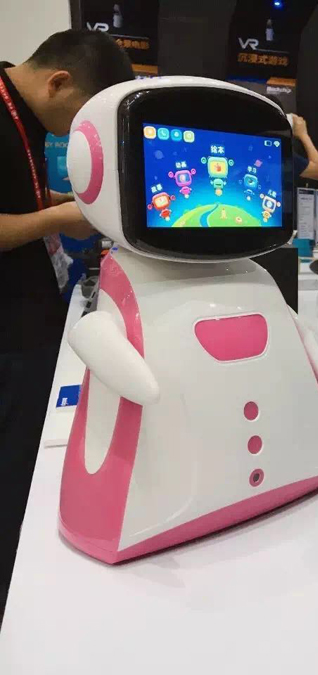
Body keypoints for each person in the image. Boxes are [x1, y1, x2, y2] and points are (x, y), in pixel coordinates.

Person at [0, 29, 133, 619]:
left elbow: (16, 193)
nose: (76, 133)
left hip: (32, 324)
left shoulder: (23, 115)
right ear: (58, 82)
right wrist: (57, 218)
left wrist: (56, 200)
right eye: (80, 116)